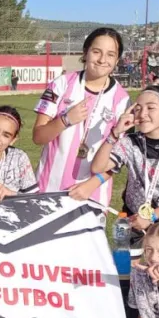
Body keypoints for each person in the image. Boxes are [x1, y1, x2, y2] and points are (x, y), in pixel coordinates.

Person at [70, 86, 159, 238]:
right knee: (123, 259)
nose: (143, 114)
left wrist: (152, 216)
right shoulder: (129, 142)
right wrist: (115, 133)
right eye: (138, 109)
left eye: (151, 108)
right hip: (132, 216)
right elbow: (98, 168)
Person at [32, 28, 131, 208]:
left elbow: (119, 158)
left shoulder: (122, 100)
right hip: (49, 189)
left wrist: (91, 184)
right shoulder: (60, 84)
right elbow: (38, 137)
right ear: (85, 53)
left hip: (91, 194)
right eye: (96, 52)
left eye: (110, 54)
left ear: (117, 60)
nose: (102, 59)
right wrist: (65, 120)